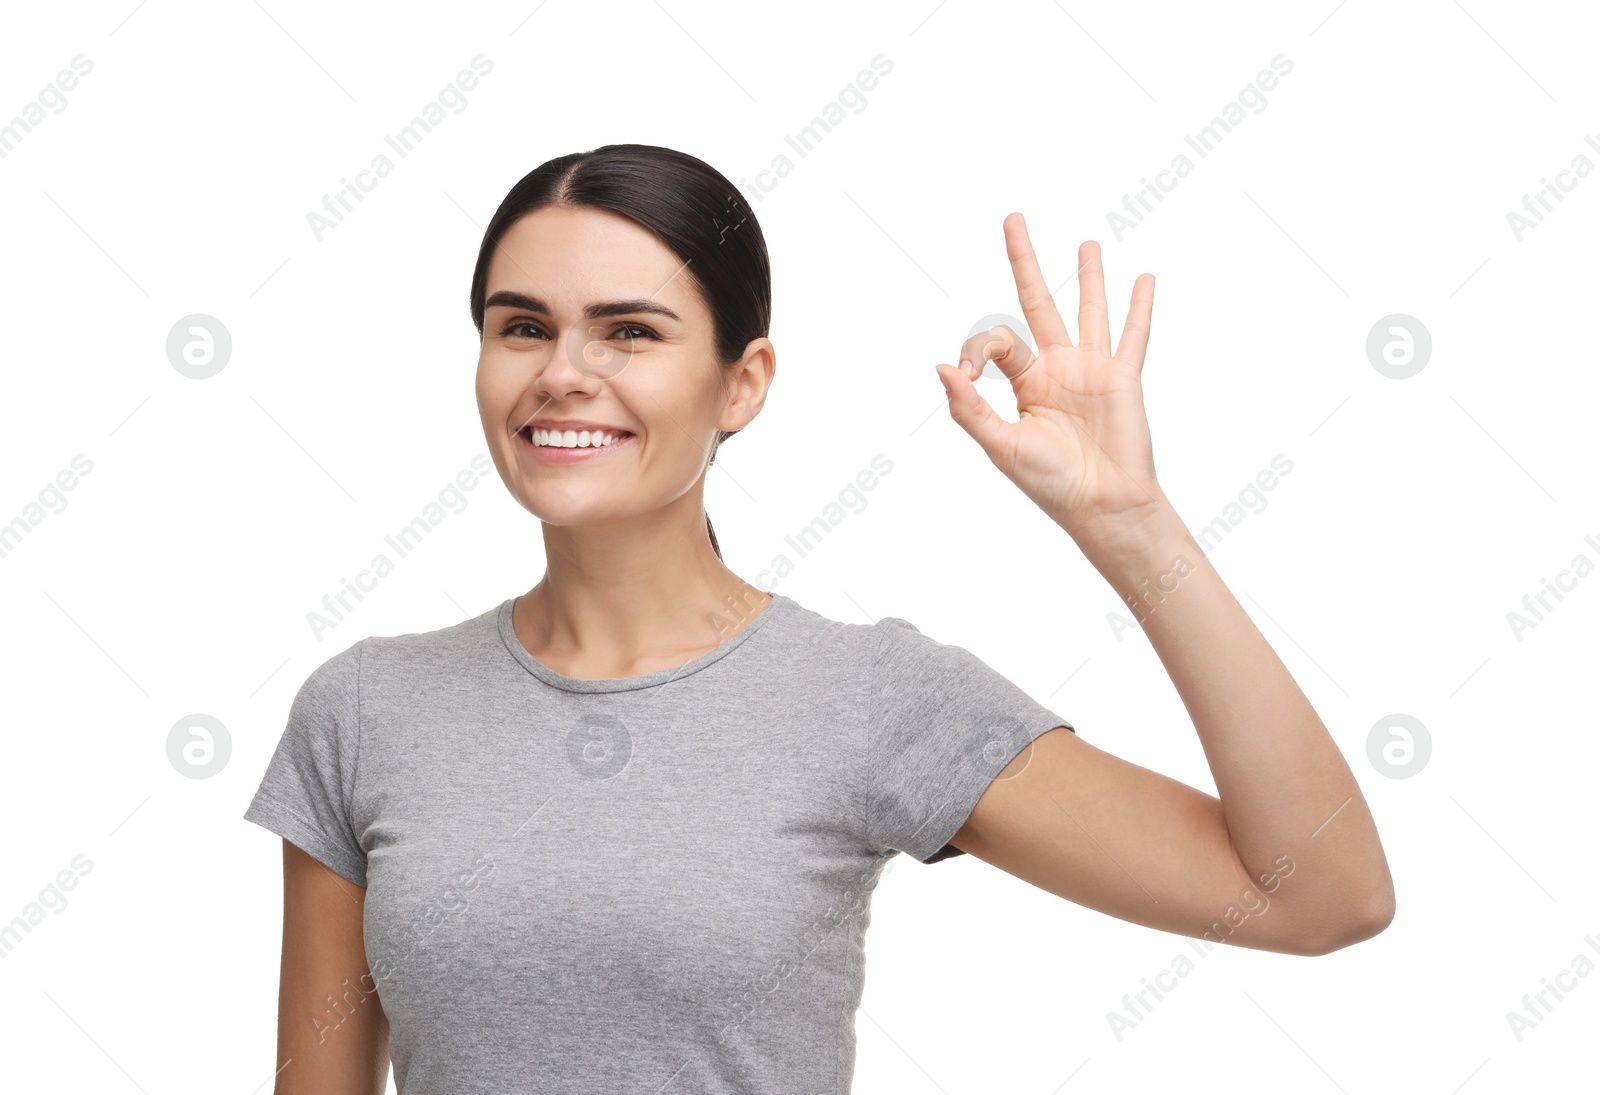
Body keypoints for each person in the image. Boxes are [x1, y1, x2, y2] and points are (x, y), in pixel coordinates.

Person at [244, 143, 1394, 1092]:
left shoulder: (866, 698)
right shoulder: (365, 710)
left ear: (742, 383)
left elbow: (1319, 894)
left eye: (631, 332)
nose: (564, 372)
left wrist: (1130, 523)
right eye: (523, 326)